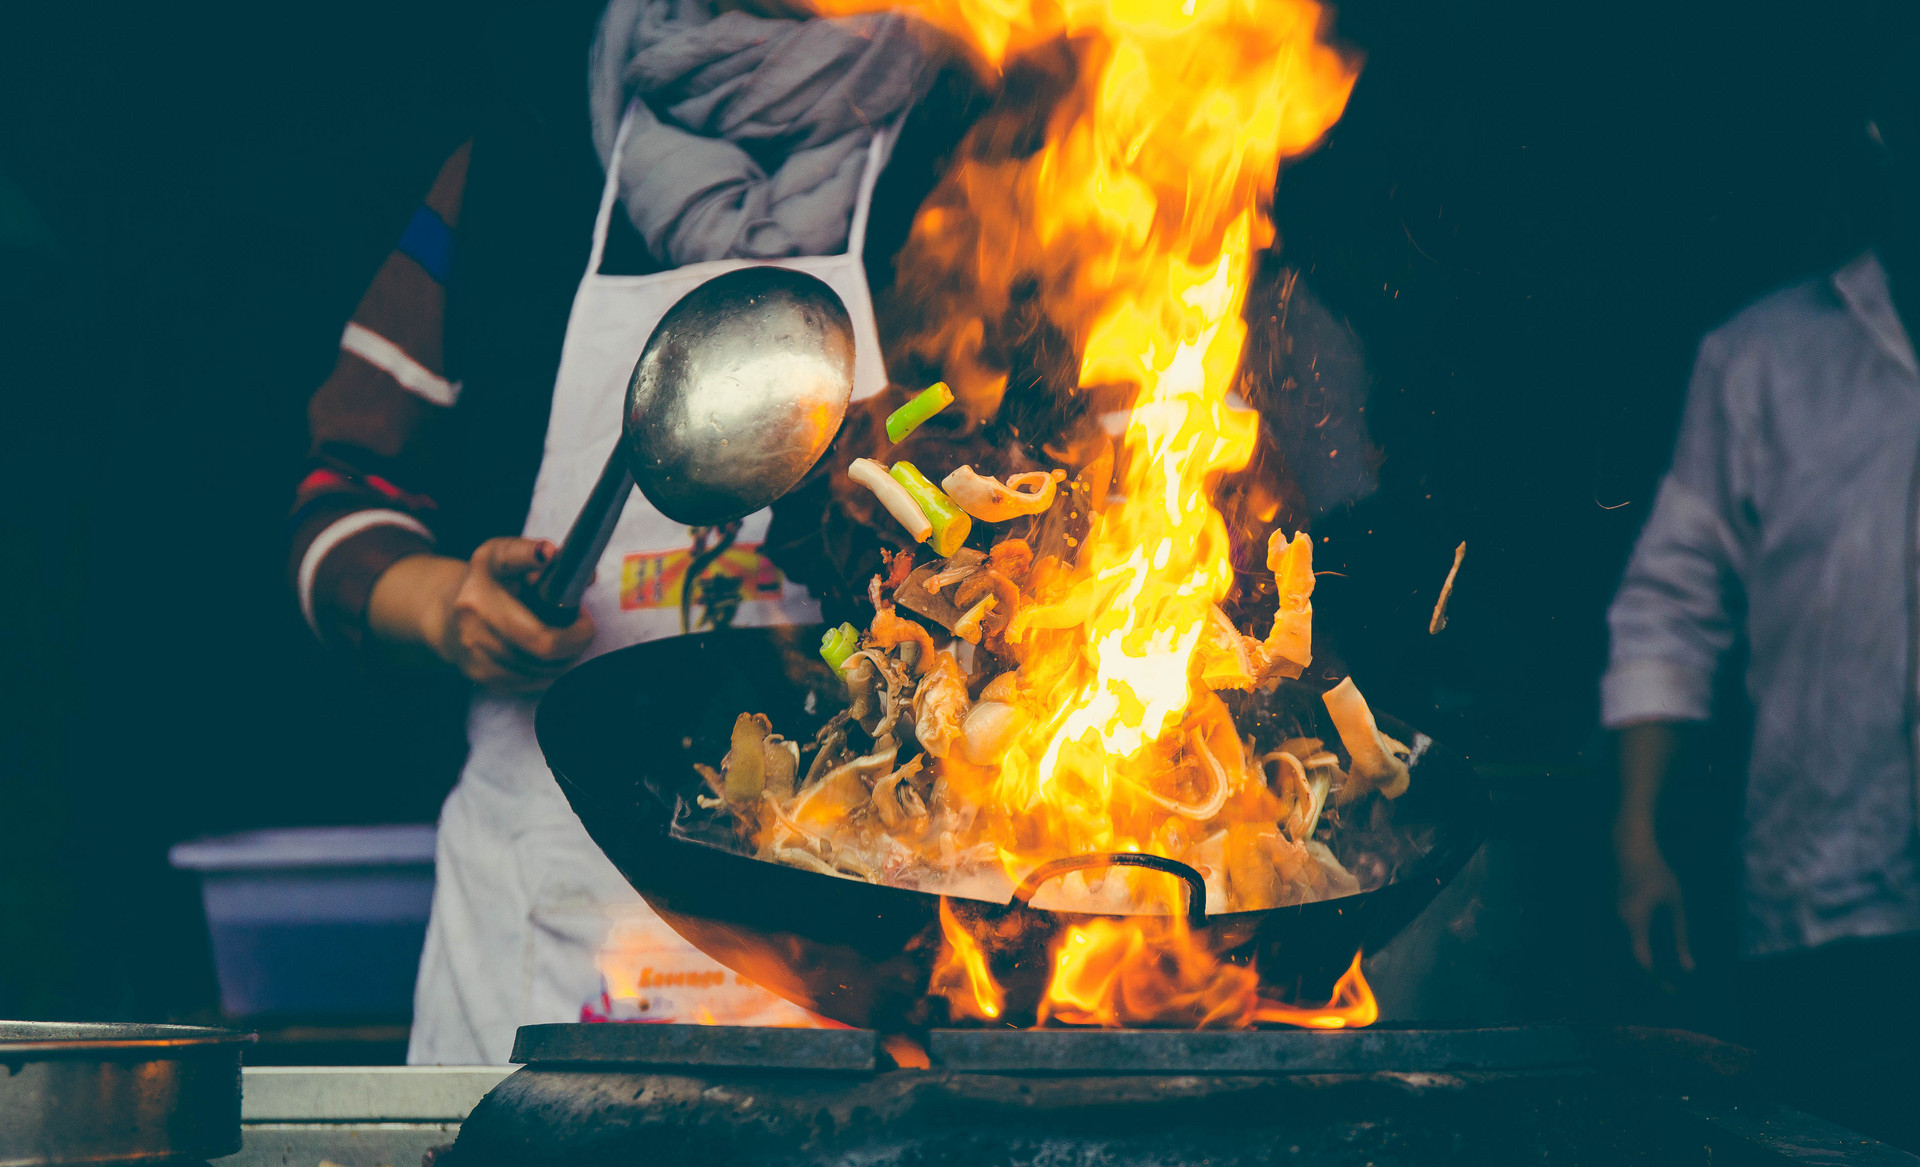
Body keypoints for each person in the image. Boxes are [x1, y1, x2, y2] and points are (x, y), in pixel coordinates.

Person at [290, 1, 1374, 1064]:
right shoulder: (527, 158)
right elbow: (342, 493)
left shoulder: (1000, 135)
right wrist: (444, 603)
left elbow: (1157, 500)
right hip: (548, 901)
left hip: (881, 926)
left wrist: (976, 532)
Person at [1603, 47, 1920, 1141]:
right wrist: (1638, 831)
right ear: (1884, 143)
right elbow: (1669, 605)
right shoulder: (1761, 360)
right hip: (1823, 906)